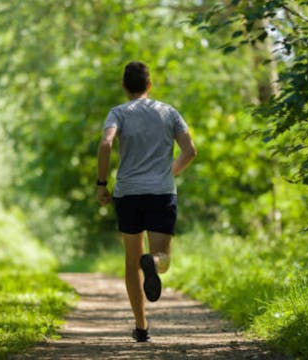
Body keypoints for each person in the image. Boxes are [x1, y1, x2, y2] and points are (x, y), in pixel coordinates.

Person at [96, 61, 197, 342]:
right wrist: (169, 172)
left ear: (125, 87)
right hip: (161, 192)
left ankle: (141, 326)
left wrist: (102, 184)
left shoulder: (118, 113)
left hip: (127, 194)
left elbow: (105, 144)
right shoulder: (168, 112)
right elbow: (190, 151)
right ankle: (152, 261)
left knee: (131, 262)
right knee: (161, 258)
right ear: (149, 85)